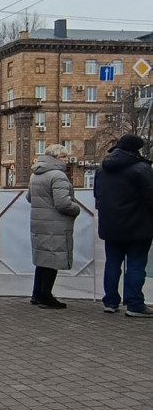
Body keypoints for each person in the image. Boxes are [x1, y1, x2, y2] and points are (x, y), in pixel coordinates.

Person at [93, 134, 153, 316]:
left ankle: (110, 302)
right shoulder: (141, 169)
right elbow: (150, 198)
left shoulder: (102, 169)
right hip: (138, 225)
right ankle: (135, 304)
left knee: (112, 263)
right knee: (135, 264)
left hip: (110, 225)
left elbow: (97, 196)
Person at [27, 145, 81, 309]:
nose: (67, 160)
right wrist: (76, 208)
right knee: (52, 260)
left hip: (39, 222)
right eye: (64, 157)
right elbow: (63, 203)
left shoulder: (35, 174)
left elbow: (29, 197)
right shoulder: (58, 176)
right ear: (57, 157)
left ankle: (37, 294)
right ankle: (46, 297)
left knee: (43, 260)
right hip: (55, 224)